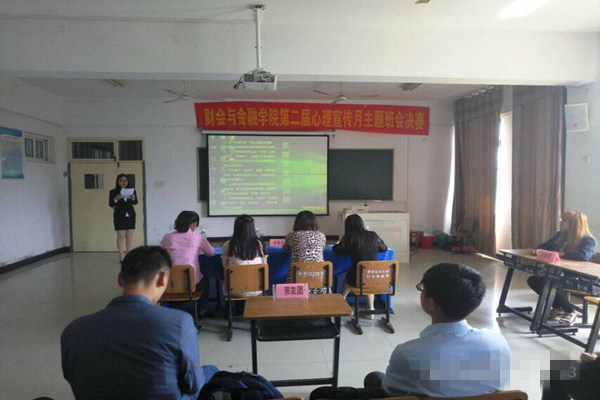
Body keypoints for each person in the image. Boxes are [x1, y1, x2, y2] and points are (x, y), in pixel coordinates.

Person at [310, 263, 511, 400]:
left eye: (422, 289)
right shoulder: (498, 344)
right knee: (374, 377)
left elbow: (389, 391)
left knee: (320, 394)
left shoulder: (409, 353)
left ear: (431, 303)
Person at [61, 246, 218, 400]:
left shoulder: (73, 330)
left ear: (120, 279)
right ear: (163, 278)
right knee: (211, 371)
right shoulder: (179, 323)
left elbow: (72, 377)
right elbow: (194, 386)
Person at [527, 210, 596, 326]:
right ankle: (559, 307)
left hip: (580, 278)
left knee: (549, 282)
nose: (560, 221)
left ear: (573, 223)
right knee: (533, 280)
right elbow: (546, 245)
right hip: (561, 273)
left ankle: (570, 310)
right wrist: (538, 249)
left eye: (563, 220)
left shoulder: (588, 240)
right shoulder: (560, 235)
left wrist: (561, 254)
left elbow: (583, 256)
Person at [333, 214, 388, 311]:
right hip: (376, 276)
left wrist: (337, 244)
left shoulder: (349, 236)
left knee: (350, 276)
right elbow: (384, 248)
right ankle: (371, 307)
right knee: (368, 276)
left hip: (357, 277)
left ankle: (342, 299)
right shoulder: (373, 234)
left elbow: (337, 250)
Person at [161, 211, 216, 290]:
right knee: (205, 277)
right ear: (194, 224)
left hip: (170, 283)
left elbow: (161, 255)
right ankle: (202, 299)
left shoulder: (167, 237)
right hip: (192, 283)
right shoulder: (199, 238)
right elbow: (211, 253)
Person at [222, 214, 268, 297]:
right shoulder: (259, 244)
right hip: (256, 289)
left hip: (234, 290)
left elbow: (225, 266)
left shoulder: (228, 244)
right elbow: (264, 265)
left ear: (236, 228)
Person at [283, 210, 328, 294]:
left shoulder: (291, 236)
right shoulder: (321, 236)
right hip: (319, 281)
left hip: (297, 280)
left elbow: (285, 249)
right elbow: (322, 248)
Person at [109, 174, 138, 261]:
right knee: (121, 236)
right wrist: (115, 199)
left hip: (130, 216)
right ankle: (121, 256)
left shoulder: (132, 191)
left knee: (129, 237)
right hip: (119, 216)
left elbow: (135, 202)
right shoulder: (113, 192)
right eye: (121, 180)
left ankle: (129, 256)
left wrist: (133, 198)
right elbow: (111, 204)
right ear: (117, 182)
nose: (123, 182)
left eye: (125, 180)